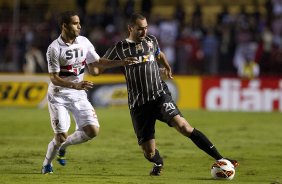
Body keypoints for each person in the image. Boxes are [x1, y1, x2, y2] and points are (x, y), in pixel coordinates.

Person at [101, 13, 239, 176]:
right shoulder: (120, 47)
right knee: (149, 152)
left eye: (146, 28)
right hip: (139, 104)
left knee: (184, 127)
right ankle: (158, 162)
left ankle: (222, 159)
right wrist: (120, 63)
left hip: (159, 95)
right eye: (140, 29)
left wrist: (166, 66)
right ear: (130, 28)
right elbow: (96, 68)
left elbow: (159, 54)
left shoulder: (151, 40)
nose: (144, 32)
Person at [41, 11, 137, 174]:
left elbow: (98, 61)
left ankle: (64, 147)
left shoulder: (84, 42)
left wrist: (122, 62)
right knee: (60, 136)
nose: (79, 26)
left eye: (79, 23)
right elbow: (54, 78)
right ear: (64, 26)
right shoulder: (54, 49)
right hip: (59, 95)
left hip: (78, 94)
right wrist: (75, 86)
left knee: (93, 131)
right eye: (75, 23)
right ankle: (46, 165)